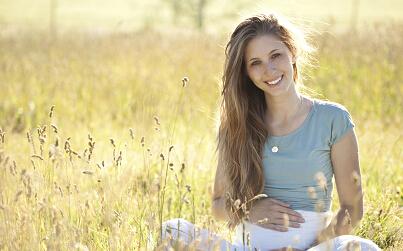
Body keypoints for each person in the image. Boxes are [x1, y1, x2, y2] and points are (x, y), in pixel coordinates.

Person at [159, 13, 381, 250]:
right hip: (246, 248)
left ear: (292, 54)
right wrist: (248, 209)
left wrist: (307, 247)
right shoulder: (236, 124)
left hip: (312, 248)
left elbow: (352, 208)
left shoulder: (333, 119)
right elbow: (217, 204)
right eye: (256, 63)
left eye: (276, 55)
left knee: (361, 247)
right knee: (171, 230)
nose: (270, 70)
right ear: (246, 72)